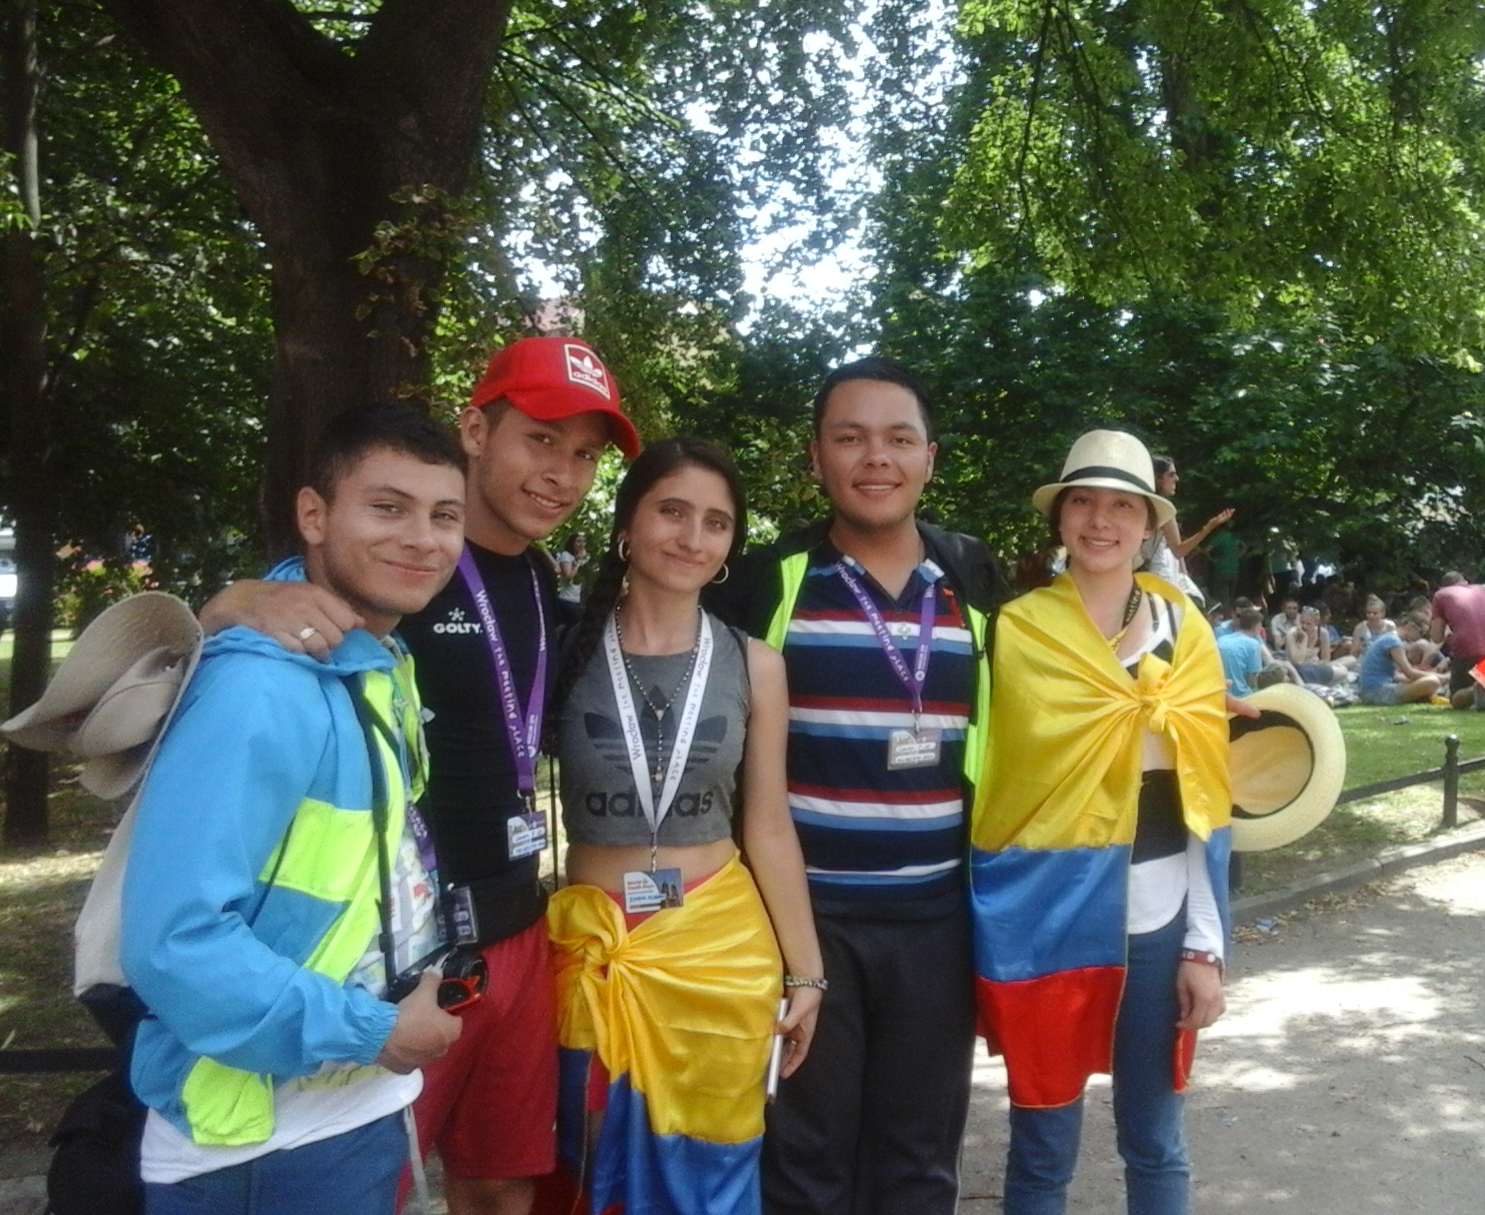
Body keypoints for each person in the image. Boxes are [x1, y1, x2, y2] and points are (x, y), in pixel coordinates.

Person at [201, 336, 640, 1215]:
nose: (561, 472)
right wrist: (230, 601)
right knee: (378, 1183)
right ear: (475, 430)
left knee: (502, 1180)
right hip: (400, 953)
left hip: (518, 927)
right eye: (541, 439)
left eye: (585, 455)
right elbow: (271, 620)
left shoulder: (545, 582)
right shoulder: (402, 564)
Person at [122, 406, 469, 1215]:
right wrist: (369, 1031)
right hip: (257, 1145)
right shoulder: (262, 684)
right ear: (314, 514)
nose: (422, 538)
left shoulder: (372, 658)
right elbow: (174, 942)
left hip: (338, 1109)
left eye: (443, 514)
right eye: (387, 507)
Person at [708, 357, 1009, 1215]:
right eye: (849, 438)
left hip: (937, 924)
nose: (874, 457)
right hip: (807, 930)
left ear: (928, 458)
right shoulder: (767, 579)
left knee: (917, 1162)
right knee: (804, 1159)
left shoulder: (970, 577)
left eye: (896, 438)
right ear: (815, 459)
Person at [540, 438, 823, 1214]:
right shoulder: (558, 647)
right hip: (592, 950)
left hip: (719, 953)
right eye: (671, 511)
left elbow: (768, 826)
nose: (691, 537)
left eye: (715, 522)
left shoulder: (755, 662)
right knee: (586, 1169)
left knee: (712, 1173)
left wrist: (804, 973)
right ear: (627, 521)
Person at [970, 429, 1231, 1215]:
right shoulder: (1015, 631)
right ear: (1060, 515)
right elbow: (994, 780)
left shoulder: (1184, 632)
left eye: (1122, 504)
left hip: (1159, 921)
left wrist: (1203, 944)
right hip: (1045, 916)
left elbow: (1205, 801)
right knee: (1041, 1146)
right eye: (1082, 500)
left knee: (1155, 1141)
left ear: (1148, 521)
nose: (1099, 521)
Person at [1145, 455, 1234, 604]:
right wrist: (1209, 527)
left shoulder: (1135, 505)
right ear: (1157, 478)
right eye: (1171, 474)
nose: (1177, 479)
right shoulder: (1164, 510)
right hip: (1157, 579)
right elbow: (1179, 551)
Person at [1358, 613, 1444, 706]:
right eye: (1421, 633)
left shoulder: (1387, 637)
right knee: (1433, 681)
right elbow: (1411, 673)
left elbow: (1397, 676)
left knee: (1427, 682)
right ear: (1411, 627)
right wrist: (1443, 677)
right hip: (1378, 692)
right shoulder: (1393, 641)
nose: (1419, 638)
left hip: (1369, 692)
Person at [1431, 572, 1485, 709]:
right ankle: (1481, 683)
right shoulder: (1481, 589)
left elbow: (1436, 637)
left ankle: (1475, 690)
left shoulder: (1441, 595)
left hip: (1467, 651)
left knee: (1456, 701)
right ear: (1465, 581)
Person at [1286, 606, 1356, 685]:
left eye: (1309, 624)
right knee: (1342, 671)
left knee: (1352, 660)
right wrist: (1304, 638)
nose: (1304, 626)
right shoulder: (1292, 634)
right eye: (1302, 622)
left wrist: (1318, 665)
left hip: (1317, 665)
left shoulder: (1322, 633)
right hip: (1300, 669)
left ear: (1316, 624)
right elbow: (1296, 661)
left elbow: (1326, 659)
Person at [1217, 606, 1266, 697]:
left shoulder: (1221, 639)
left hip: (1220, 692)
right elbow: (1252, 679)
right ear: (1256, 627)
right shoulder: (1253, 645)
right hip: (1241, 695)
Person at [1351, 595, 1395, 660]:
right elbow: (1353, 653)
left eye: (1375, 613)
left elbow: (1395, 647)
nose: (1371, 616)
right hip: (1364, 659)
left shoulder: (1389, 626)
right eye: (1369, 613)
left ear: (1382, 613)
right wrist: (1359, 648)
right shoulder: (1360, 628)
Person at [553, 532, 588, 610]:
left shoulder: (581, 558)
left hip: (577, 600)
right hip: (566, 599)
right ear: (572, 543)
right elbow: (568, 576)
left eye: (583, 541)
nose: (581, 544)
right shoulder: (566, 555)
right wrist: (578, 562)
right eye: (578, 541)